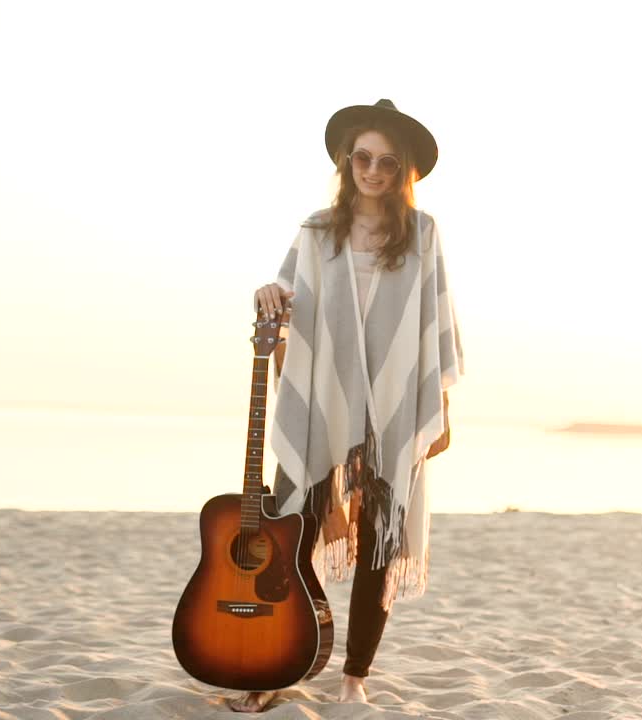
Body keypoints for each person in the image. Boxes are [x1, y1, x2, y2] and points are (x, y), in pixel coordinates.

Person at [230, 99, 463, 712]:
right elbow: (288, 293)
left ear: (403, 169)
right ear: (346, 160)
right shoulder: (315, 232)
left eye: (388, 161)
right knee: (287, 531)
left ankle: (355, 676)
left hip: (390, 408)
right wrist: (271, 290)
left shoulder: (424, 234)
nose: (374, 170)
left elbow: (434, 325)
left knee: (381, 541)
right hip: (324, 407)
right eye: (363, 157)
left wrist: (438, 407)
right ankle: (278, 662)